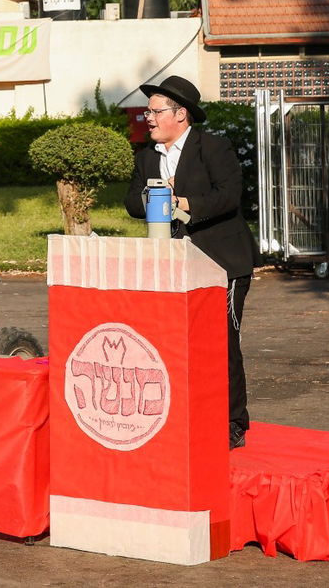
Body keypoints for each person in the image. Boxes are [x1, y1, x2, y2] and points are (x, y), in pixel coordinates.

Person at [124, 76, 258, 450]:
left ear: (180, 114)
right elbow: (132, 203)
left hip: (221, 262)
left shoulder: (214, 148)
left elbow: (228, 197)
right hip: (172, 264)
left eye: (155, 111)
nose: (148, 118)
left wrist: (179, 201)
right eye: (147, 111)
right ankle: (185, 413)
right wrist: (153, 196)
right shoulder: (147, 156)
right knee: (175, 342)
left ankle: (233, 422)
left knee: (221, 341)